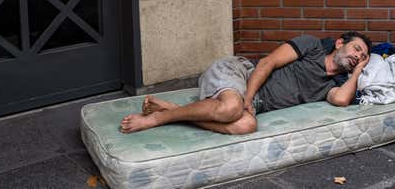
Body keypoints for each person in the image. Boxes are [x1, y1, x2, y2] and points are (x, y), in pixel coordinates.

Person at [120, 32, 372, 135]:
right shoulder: (312, 46)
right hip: (241, 72)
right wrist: (248, 99)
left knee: (247, 125)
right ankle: (156, 119)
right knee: (232, 109)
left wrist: (358, 71)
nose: (356, 56)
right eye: (356, 49)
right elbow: (266, 63)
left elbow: (341, 100)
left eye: (361, 58)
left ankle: (170, 109)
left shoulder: (331, 86)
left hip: (250, 102)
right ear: (340, 43)